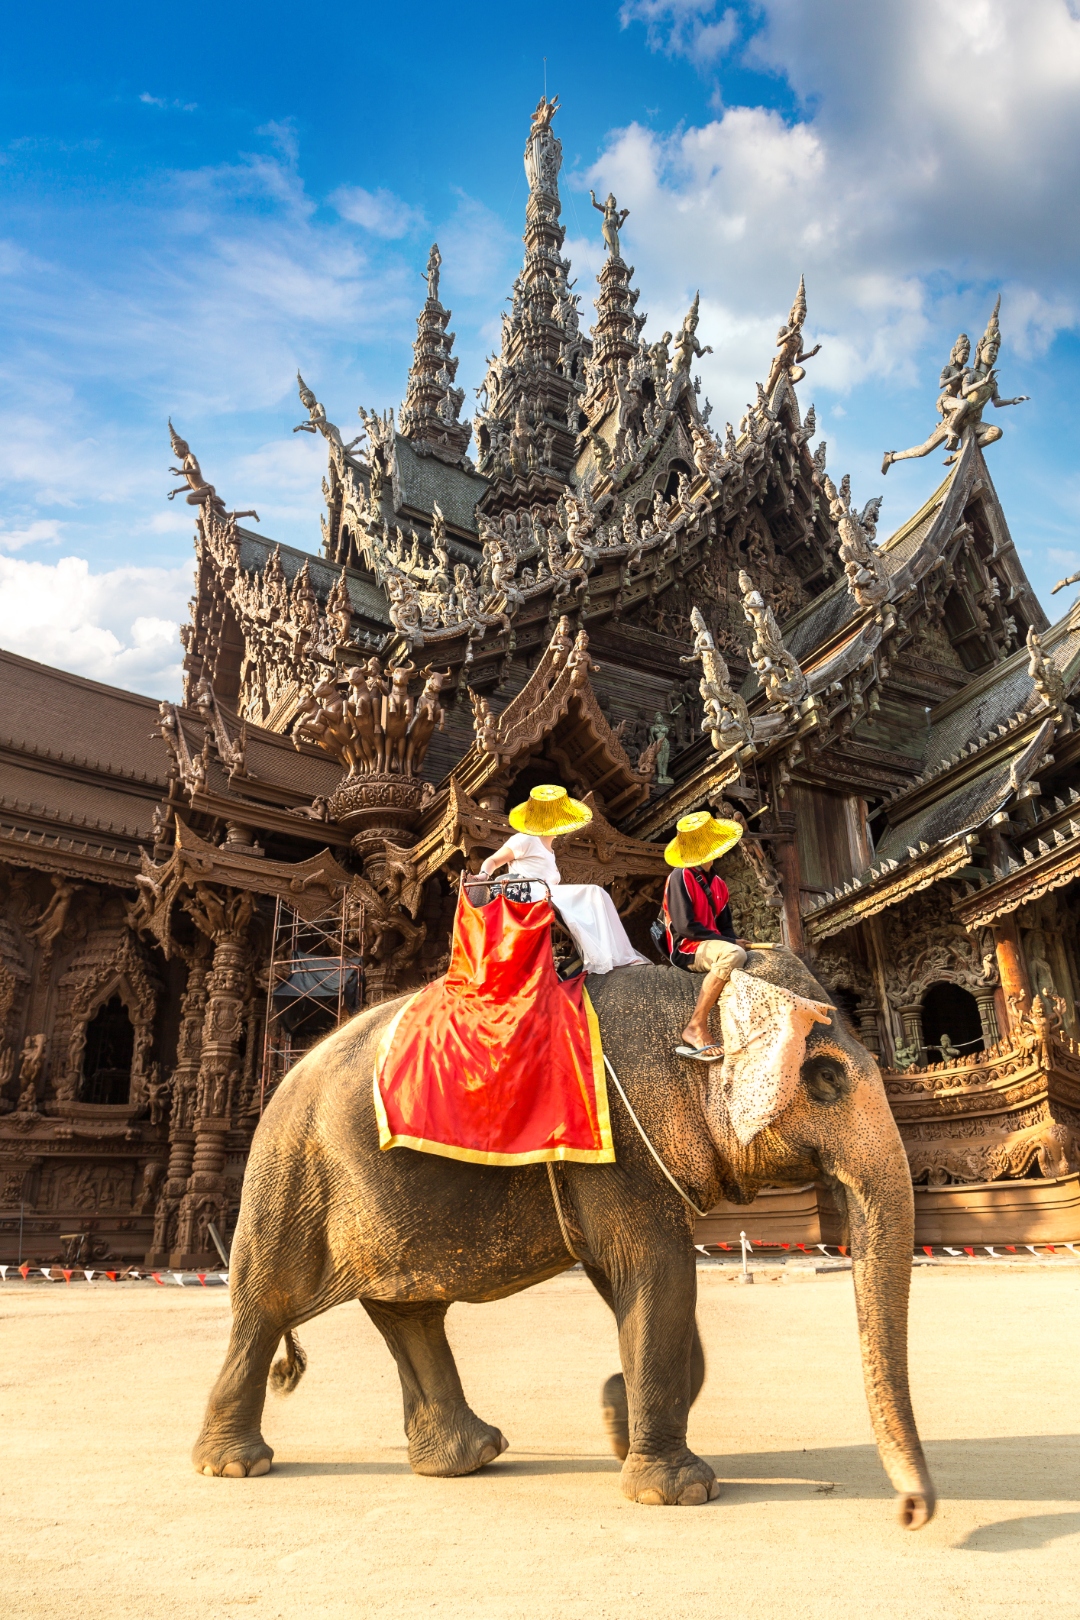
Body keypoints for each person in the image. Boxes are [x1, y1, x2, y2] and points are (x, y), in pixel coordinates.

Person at [477, 785, 648, 976]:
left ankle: (617, 954)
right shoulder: (525, 839)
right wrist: (484, 874)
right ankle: (606, 956)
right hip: (532, 892)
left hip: (547, 893)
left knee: (600, 895)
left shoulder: (550, 851)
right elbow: (493, 860)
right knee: (594, 892)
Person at [661, 811, 749, 1062]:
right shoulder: (681, 876)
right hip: (688, 947)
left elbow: (726, 928)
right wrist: (732, 943)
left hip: (712, 945)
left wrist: (733, 939)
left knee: (753, 954)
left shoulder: (719, 883)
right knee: (734, 953)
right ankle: (696, 1026)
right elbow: (685, 926)